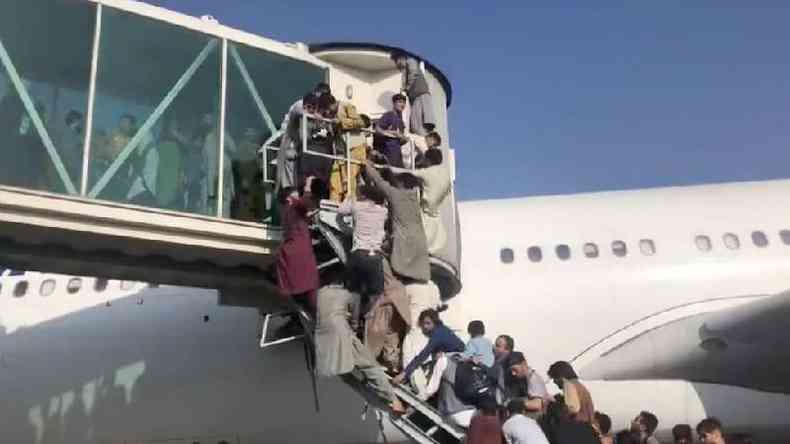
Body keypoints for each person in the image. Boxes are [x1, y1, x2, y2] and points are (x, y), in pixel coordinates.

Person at [313, 270, 406, 414]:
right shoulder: (350, 294)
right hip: (341, 332)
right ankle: (394, 400)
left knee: (342, 371)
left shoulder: (320, 293)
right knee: (369, 365)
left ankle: (364, 390)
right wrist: (355, 331)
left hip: (322, 335)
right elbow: (355, 320)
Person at [364, 161, 430, 282]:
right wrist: (386, 164)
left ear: (403, 184)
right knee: (415, 274)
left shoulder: (396, 195)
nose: (396, 183)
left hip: (405, 241)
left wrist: (368, 166)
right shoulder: (415, 197)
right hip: (420, 240)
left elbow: (380, 182)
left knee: (398, 271)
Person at [275, 178, 320, 316]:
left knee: (299, 289)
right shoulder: (294, 206)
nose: (298, 196)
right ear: (289, 198)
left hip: (287, 254)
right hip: (300, 252)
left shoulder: (285, 212)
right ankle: (318, 315)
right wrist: (308, 185)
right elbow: (306, 201)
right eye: (295, 194)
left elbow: (299, 218)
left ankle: (309, 313)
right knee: (311, 285)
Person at [337, 183, 388, 300]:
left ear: (364, 196)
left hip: (359, 253)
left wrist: (349, 198)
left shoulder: (356, 206)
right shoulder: (383, 211)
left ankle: (354, 318)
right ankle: (372, 317)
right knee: (375, 294)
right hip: (375, 256)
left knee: (355, 293)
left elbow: (341, 210)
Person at [393, 309, 464, 385]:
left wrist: (403, 374)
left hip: (458, 362)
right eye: (423, 323)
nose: (425, 326)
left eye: (428, 323)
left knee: (436, 361)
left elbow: (423, 355)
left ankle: (427, 392)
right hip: (457, 359)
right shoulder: (441, 329)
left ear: (435, 322)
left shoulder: (437, 334)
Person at [326, 97, 369, 202]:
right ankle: (334, 203)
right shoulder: (329, 114)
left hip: (355, 147)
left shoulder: (346, 106)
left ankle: (349, 203)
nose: (327, 112)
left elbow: (360, 122)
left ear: (333, 103)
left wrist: (341, 122)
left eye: (328, 108)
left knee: (350, 180)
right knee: (335, 179)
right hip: (341, 150)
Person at [277, 93, 319, 192]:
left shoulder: (313, 119)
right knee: (290, 184)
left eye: (313, 108)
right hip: (289, 149)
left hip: (300, 152)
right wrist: (310, 113)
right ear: (304, 105)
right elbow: (298, 111)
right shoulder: (298, 110)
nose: (311, 109)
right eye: (308, 106)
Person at [391, 51, 435, 135]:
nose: (397, 64)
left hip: (420, 95)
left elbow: (413, 73)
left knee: (419, 123)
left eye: (396, 61)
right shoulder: (405, 70)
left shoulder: (410, 61)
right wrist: (403, 89)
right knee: (416, 123)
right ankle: (423, 138)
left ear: (401, 58)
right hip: (416, 97)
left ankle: (424, 139)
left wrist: (406, 88)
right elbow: (405, 81)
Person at [506, 352, 551, 416]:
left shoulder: (534, 379)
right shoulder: (523, 379)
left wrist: (516, 404)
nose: (513, 373)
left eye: (515, 369)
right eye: (511, 371)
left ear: (524, 364)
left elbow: (537, 404)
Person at [373, 94, 408, 168]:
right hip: (388, 150)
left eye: (404, 103)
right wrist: (388, 133)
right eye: (400, 102)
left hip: (397, 152)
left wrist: (403, 138)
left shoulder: (401, 121)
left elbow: (402, 139)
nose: (402, 105)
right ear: (394, 103)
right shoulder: (389, 115)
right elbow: (377, 128)